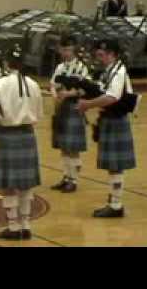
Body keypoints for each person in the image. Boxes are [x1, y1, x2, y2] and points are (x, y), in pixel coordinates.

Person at [0, 46, 43, 241]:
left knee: (9, 185)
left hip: (7, 135)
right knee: (26, 184)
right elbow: (38, 116)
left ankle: (13, 227)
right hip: (28, 134)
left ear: (6, 64)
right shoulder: (34, 84)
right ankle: (26, 225)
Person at [77, 39, 136, 218]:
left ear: (112, 54)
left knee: (116, 165)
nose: (99, 58)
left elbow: (112, 97)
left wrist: (88, 104)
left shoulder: (119, 73)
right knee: (113, 166)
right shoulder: (110, 71)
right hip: (110, 119)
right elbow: (102, 90)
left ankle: (116, 205)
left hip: (116, 120)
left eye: (102, 55)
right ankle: (114, 203)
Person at [50, 35, 89, 193]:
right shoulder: (60, 67)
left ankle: (74, 180)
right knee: (64, 146)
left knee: (73, 147)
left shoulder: (81, 67)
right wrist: (55, 95)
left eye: (68, 49)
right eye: (63, 49)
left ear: (74, 50)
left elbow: (85, 88)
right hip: (61, 108)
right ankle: (66, 177)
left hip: (74, 107)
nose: (65, 52)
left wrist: (68, 94)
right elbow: (53, 84)